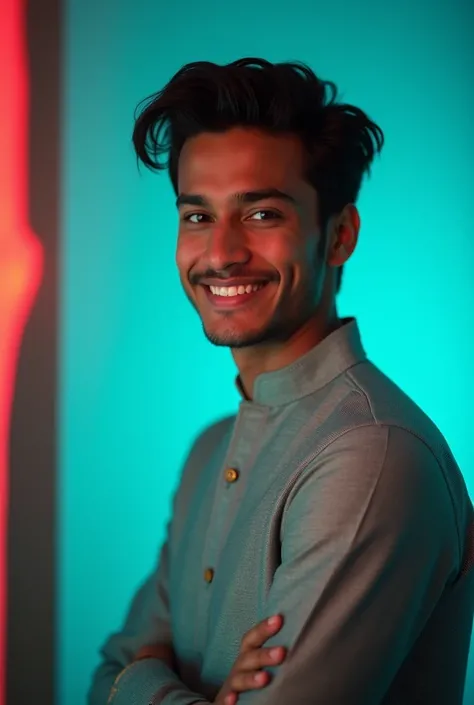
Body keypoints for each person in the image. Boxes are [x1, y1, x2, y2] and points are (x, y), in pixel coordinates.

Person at [88, 58, 474, 705]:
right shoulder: (209, 451)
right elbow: (103, 667)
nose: (220, 253)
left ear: (340, 234)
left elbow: (121, 674)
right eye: (197, 215)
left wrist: (143, 680)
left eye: (262, 214)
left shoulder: (371, 456)